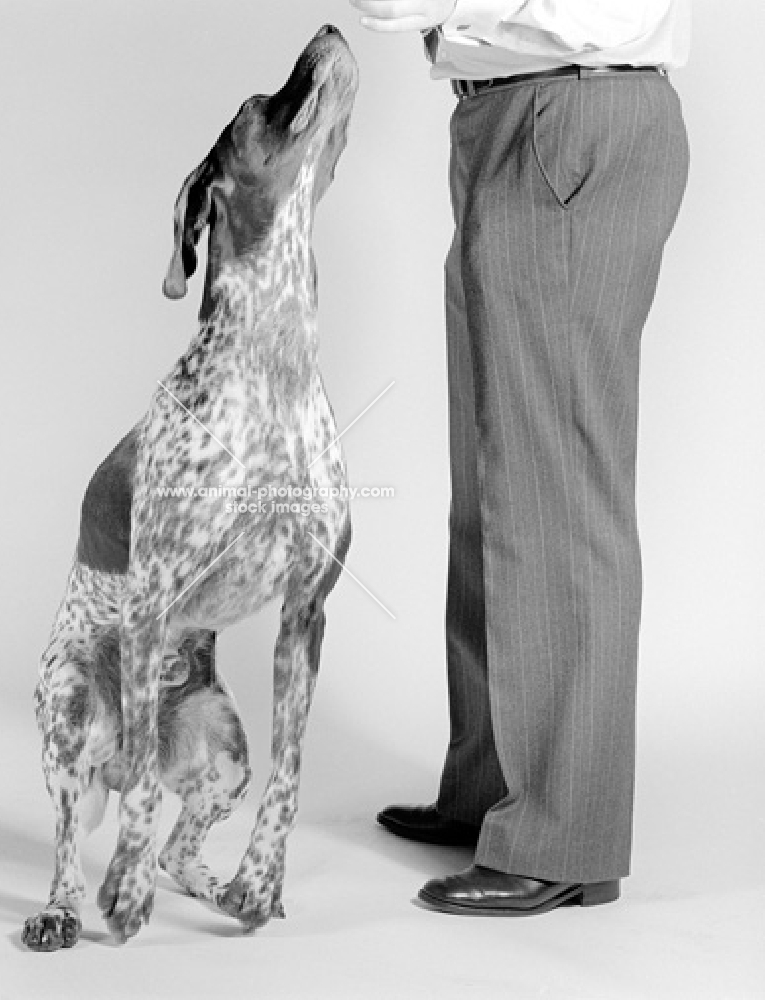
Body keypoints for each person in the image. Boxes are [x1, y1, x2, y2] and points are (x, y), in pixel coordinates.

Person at [349, 0, 690, 916]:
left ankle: (562, 840)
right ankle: (496, 788)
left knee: (558, 498)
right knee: (498, 487)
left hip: (567, 117)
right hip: (515, 117)